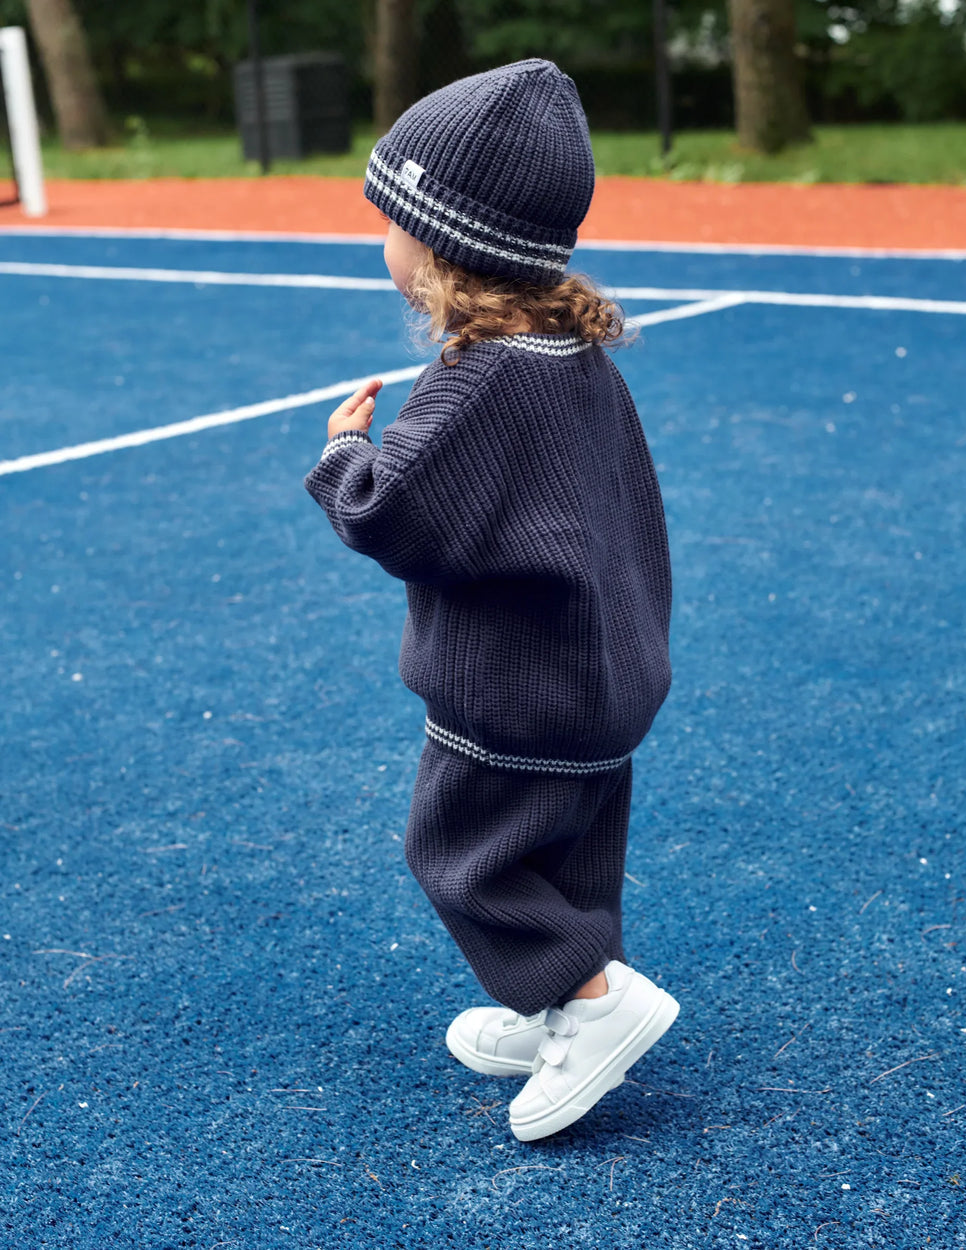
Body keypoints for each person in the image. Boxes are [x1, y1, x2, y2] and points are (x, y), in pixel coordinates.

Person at [305, 59, 678, 1142]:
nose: (382, 242)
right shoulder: (570, 356)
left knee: (458, 849)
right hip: (602, 669)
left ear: (438, 247)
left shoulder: (475, 383)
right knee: (567, 841)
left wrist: (341, 455)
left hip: (515, 687)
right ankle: (557, 995)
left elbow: (392, 513)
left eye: (390, 222)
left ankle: (597, 1004)